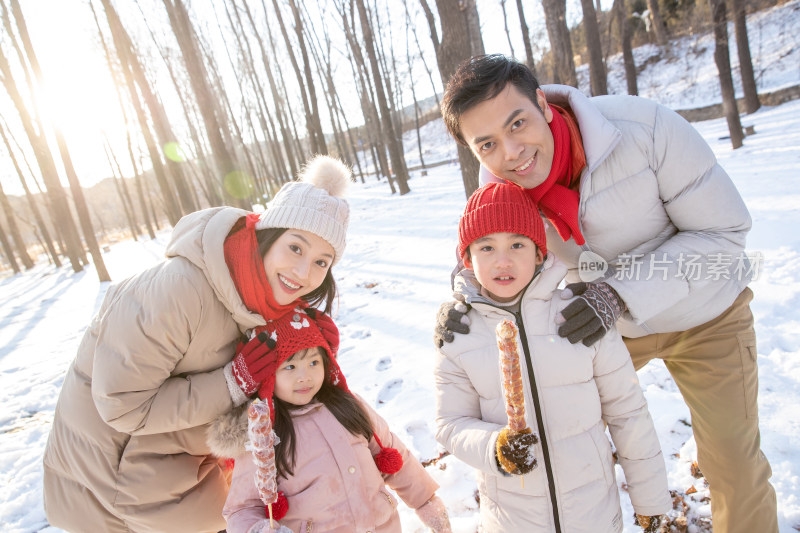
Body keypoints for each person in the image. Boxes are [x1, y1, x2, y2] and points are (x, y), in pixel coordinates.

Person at [434, 53, 778, 533]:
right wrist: (462, 300)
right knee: (554, 433)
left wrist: (618, 294)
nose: (511, 152)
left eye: (518, 124)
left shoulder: (645, 128)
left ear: (541, 102)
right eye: (488, 144)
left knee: (732, 463)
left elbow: (723, 233)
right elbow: (492, 253)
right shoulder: (500, 184)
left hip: (706, 315)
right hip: (599, 329)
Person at [42, 155, 353, 533]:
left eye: (322, 262)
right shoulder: (179, 291)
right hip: (119, 487)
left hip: (185, 475)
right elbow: (122, 406)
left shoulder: (271, 304)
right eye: (296, 248)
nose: (304, 274)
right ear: (268, 234)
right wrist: (232, 383)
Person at [434, 181, 671, 532]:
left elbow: (627, 410)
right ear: (467, 259)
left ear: (540, 253)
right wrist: (493, 448)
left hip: (593, 514)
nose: (503, 260)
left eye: (517, 244)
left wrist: (650, 498)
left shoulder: (581, 316)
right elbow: (450, 424)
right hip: (513, 519)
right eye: (486, 247)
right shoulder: (459, 334)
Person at [212, 308, 452, 533]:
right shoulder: (263, 434)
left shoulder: (348, 406)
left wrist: (425, 500)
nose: (305, 377)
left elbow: (393, 453)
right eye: (290, 366)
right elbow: (241, 508)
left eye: (313, 362)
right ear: (267, 375)